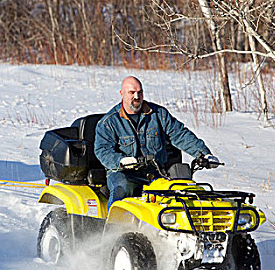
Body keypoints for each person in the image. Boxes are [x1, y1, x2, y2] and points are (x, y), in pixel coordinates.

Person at [94, 76, 220, 210]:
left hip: (157, 172)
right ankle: (113, 227)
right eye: (132, 93)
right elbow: (102, 150)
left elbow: (180, 134)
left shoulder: (158, 114)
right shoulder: (109, 122)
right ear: (122, 94)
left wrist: (203, 154)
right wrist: (121, 161)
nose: (137, 96)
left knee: (183, 191)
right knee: (122, 187)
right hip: (125, 173)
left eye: (140, 92)